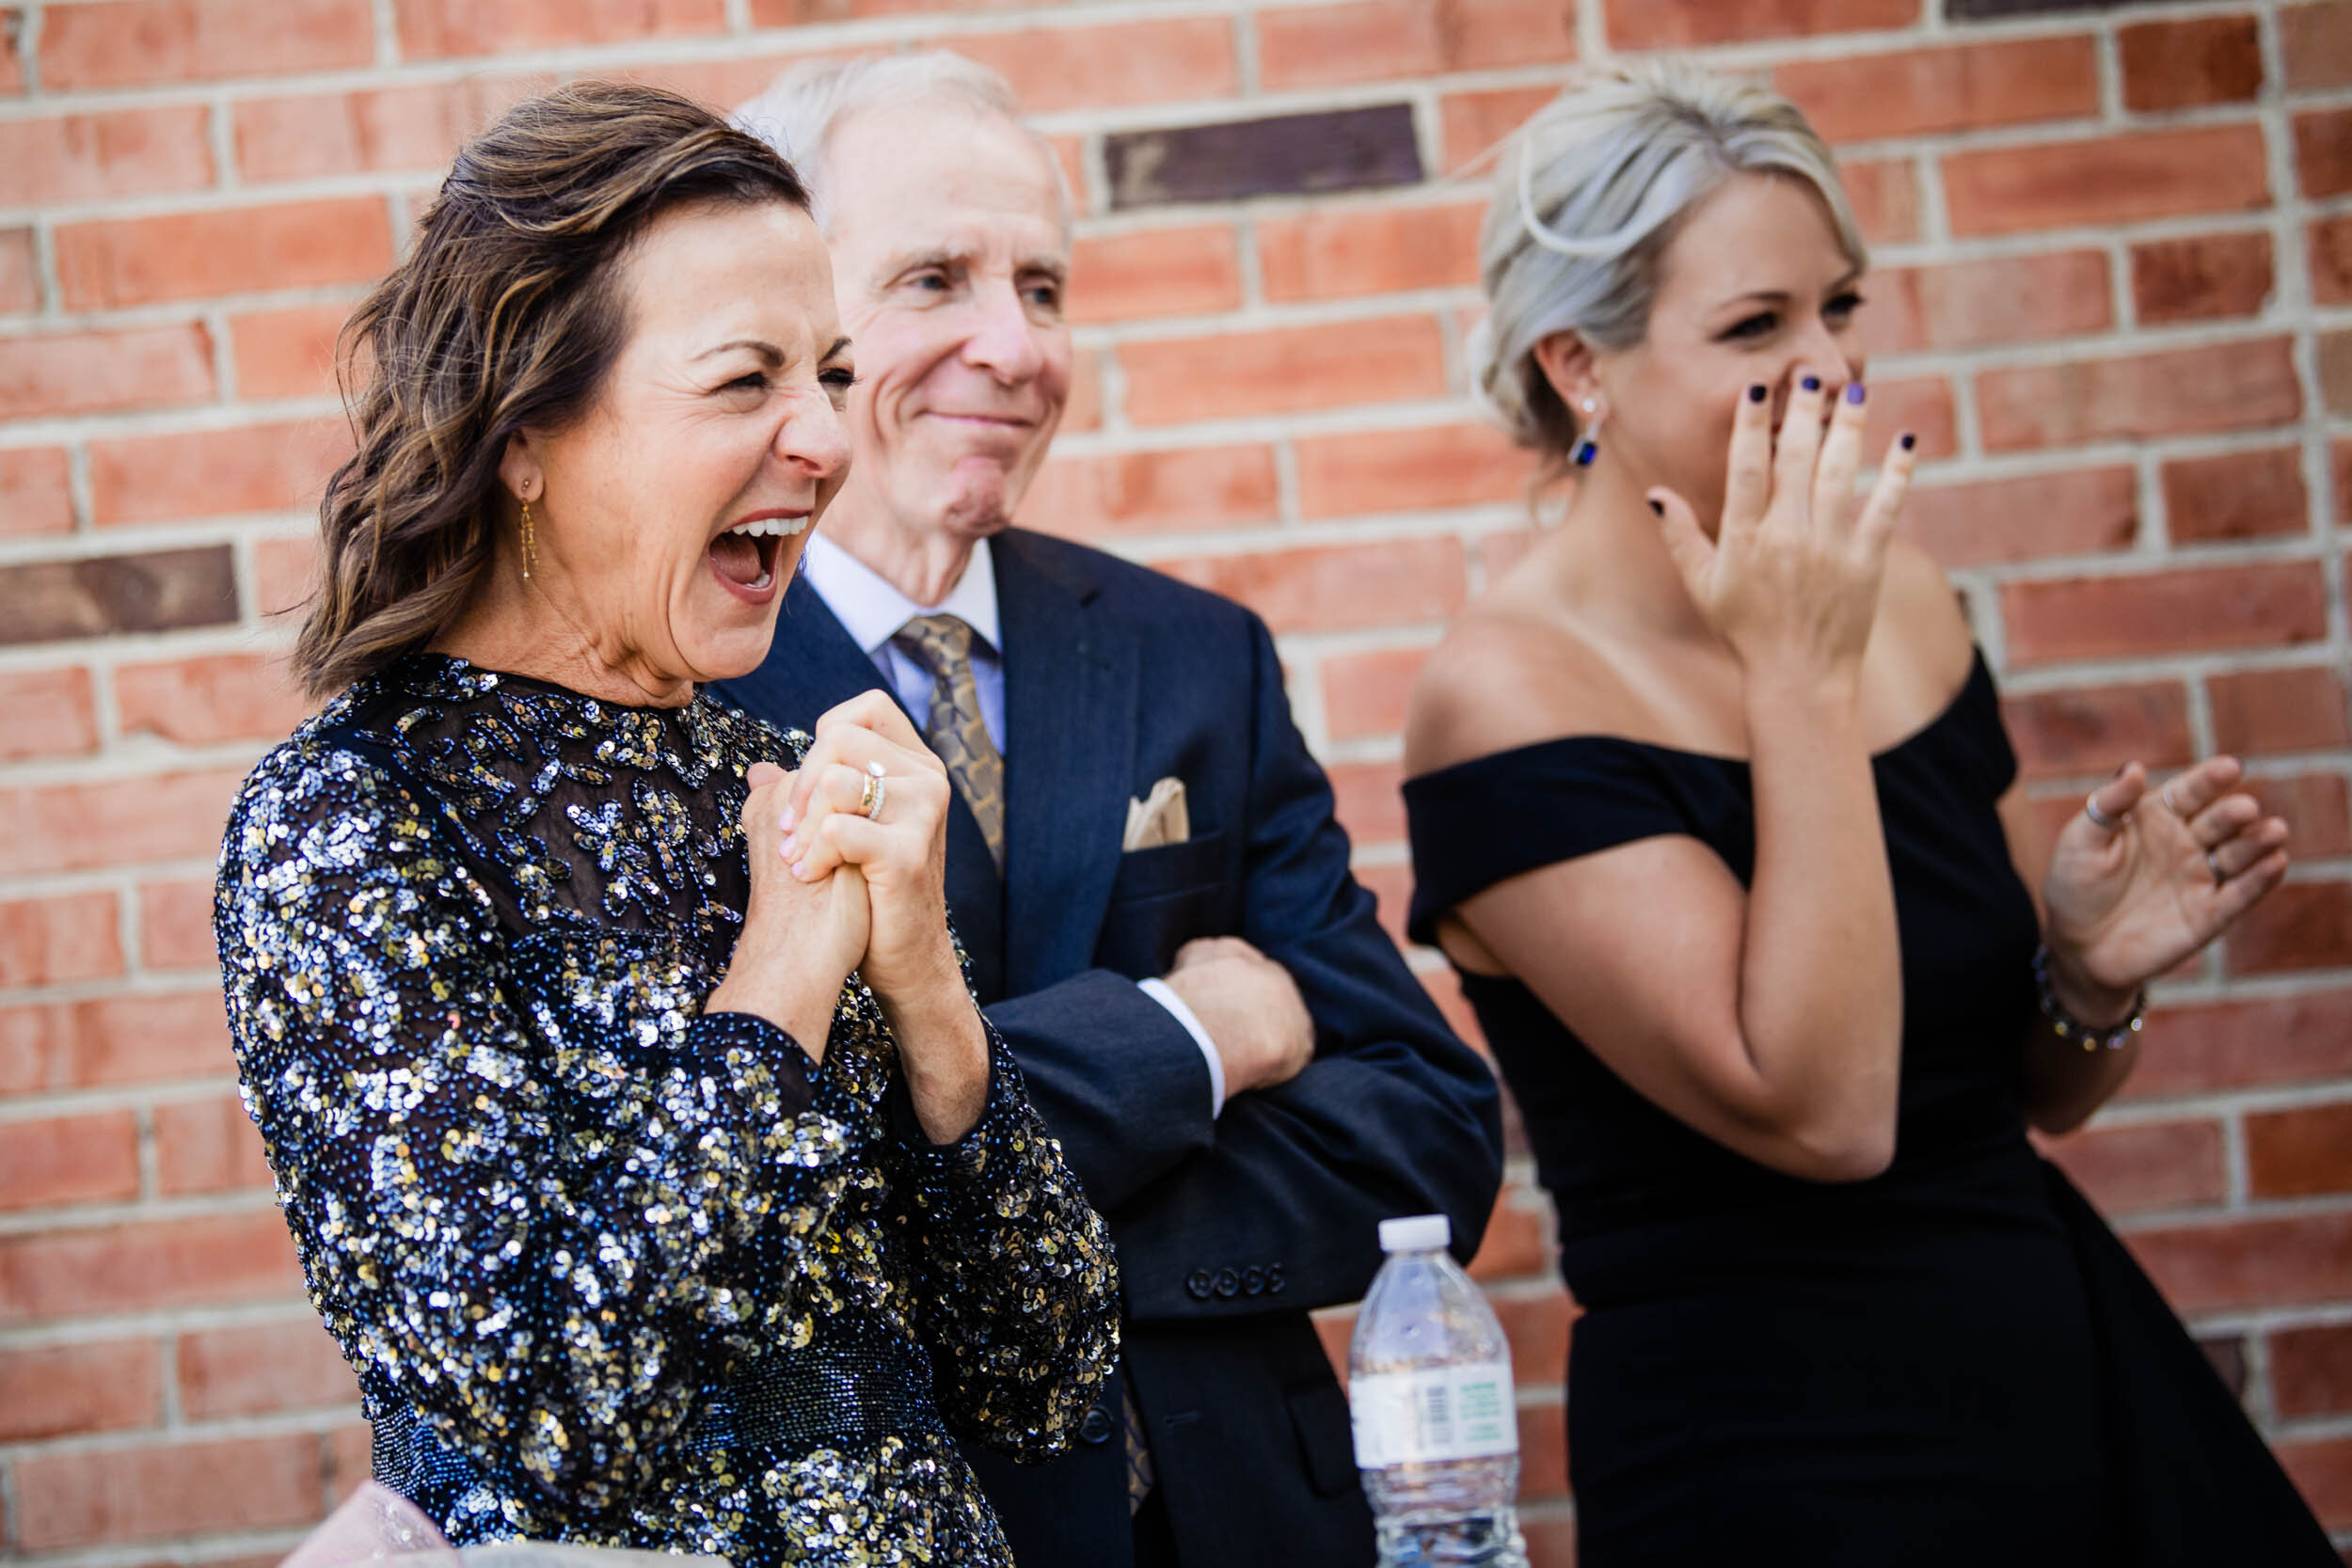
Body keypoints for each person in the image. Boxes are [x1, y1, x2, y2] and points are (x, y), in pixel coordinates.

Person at [1401, 60, 2336, 1567]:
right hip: (1777, 1454)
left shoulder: (1897, 596)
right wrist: (1799, 680)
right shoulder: (1509, 696)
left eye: (1841, 305)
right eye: (1755, 326)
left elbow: (2017, 1099)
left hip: (2056, 1368)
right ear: (1582, 366)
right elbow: (1827, 1115)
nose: (1830, 364)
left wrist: (2089, 976)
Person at [213, 82, 1119, 1565]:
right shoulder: (352, 819)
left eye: (827, 374)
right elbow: (558, 1418)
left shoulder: (771, 773)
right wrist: (776, 988)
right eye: (745, 380)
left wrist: (929, 990)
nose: (823, 439)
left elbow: (1047, 1372)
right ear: (526, 433)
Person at [721, 54, 1506, 1568]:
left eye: (1046, 288)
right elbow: (756, 1195)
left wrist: (993, 1220)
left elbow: (1427, 1134)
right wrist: (1193, 1041)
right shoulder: (686, 696)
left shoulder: (1194, 658)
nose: (1012, 347)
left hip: (1244, 1522)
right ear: (789, 320)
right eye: (935, 280)